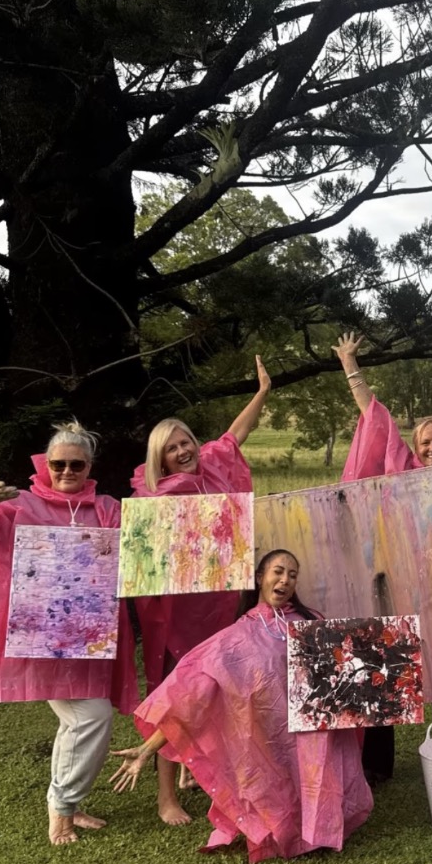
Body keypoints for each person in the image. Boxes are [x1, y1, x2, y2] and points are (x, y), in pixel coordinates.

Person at [110, 550, 373, 863]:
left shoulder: (311, 622)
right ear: (260, 578)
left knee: (318, 778)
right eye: (278, 571)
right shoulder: (236, 636)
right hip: (268, 736)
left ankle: (321, 830)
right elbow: (191, 695)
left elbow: (346, 673)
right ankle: (291, 831)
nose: (285, 580)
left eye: (292, 575)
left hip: (314, 734)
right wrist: (147, 748)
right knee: (273, 788)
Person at [132, 353, 271, 824]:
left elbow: (236, 434)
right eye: (172, 448)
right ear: (160, 457)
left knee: (218, 693)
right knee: (174, 696)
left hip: (219, 606)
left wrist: (262, 392)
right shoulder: (152, 497)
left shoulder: (211, 468)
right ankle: (165, 797)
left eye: (186, 442)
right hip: (176, 614)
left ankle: (211, 778)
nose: (183, 451)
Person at [334, 332, 432, 779]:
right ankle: (377, 766)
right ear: (415, 447)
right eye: (426, 442)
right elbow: (376, 420)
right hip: (397, 584)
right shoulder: (400, 469)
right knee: (388, 663)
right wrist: (351, 366)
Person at [0, 424, 138, 844]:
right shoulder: (18, 505)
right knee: (90, 717)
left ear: (89, 467)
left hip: (91, 641)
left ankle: (69, 804)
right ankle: (61, 810)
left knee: (78, 722)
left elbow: (145, 543)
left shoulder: (106, 508)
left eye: (77, 464)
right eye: (59, 464)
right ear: (46, 464)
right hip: (44, 640)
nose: (67, 471)